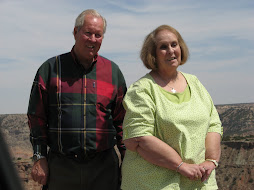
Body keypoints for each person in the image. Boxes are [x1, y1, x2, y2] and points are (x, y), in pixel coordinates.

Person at [27, 9, 126, 190]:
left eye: (98, 35)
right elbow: (36, 117)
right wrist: (39, 157)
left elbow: (122, 122)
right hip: (62, 168)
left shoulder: (113, 72)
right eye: (88, 33)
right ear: (75, 32)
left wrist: (128, 160)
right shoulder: (50, 69)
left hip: (103, 169)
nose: (93, 39)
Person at [121, 25, 223, 190]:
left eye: (174, 44)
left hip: (199, 181)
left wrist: (210, 161)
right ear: (153, 54)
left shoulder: (195, 83)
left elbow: (213, 123)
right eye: (163, 47)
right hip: (153, 183)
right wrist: (181, 165)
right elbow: (139, 137)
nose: (170, 50)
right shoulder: (142, 90)